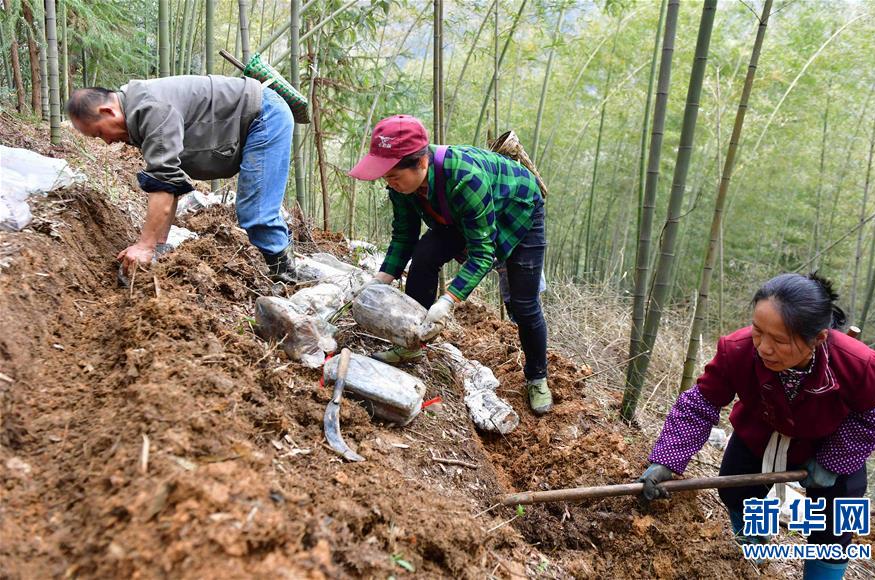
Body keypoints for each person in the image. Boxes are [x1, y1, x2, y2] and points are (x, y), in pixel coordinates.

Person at [639, 273, 875, 579]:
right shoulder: (737, 349)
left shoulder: (859, 364)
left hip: (834, 440)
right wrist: (666, 460)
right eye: (758, 332)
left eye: (779, 340)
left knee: (836, 522)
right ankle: (752, 558)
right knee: (737, 491)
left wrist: (833, 462)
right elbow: (700, 404)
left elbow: (874, 417)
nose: (764, 348)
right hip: (760, 430)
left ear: (819, 338)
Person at [348, 115, 552, 414]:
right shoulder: (402, 184)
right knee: (424, 255)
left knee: (523, 304)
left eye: (393, 176)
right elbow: (404, 236)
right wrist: (380, 282)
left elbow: (483, 252)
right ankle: (412, 342)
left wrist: (448, 300)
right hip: (457, 216)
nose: (388, 183)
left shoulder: (465, 177)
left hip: (517, 211)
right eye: (385, 177)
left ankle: (537, 376)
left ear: (421, 163)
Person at [65, 75, 306, 283]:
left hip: (264, 115)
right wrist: (158, 246)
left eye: (99, 132)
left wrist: (145, 246)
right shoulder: (139, 110)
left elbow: (165, 185)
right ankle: (284, 270)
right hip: (258, 114)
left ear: (108, 111)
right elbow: (169, 183)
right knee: (255, 211)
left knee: (257, 212)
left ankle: (287, 277)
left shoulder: (152, 109)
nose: (106, 141)